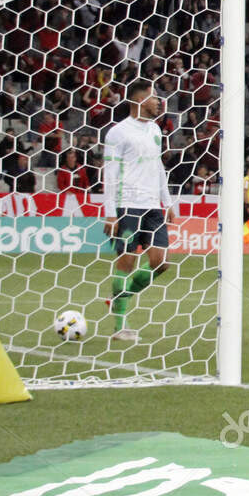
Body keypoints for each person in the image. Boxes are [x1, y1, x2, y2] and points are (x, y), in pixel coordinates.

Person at [101, 80, 177, 341]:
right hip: (126, 205)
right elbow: (109, 174)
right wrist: (110, 212)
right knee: (128, 261)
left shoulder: (156, 130)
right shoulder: (117, 133)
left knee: (161, 262)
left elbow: (158, 168)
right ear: (139, 100)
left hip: (153, 206)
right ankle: (120, 326)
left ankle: (119, 298)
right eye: (154, 97)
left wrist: (167, 202)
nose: (158, 102)